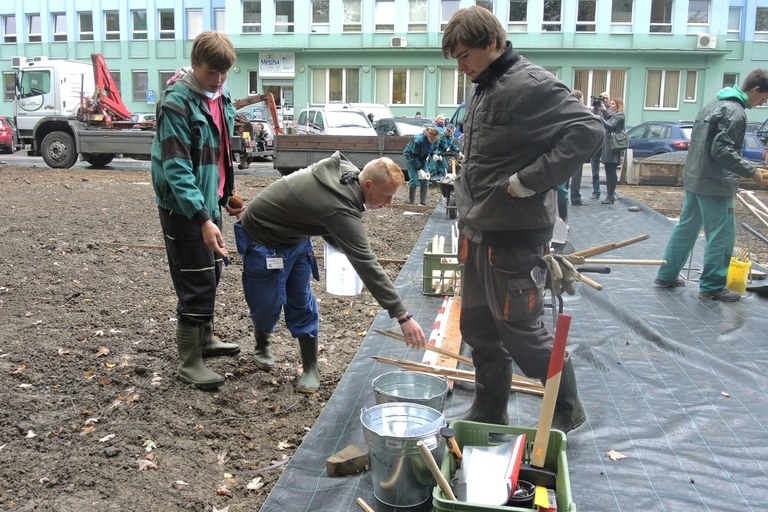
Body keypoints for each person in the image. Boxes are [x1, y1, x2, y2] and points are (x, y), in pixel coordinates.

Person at [441, 6, 603, 433]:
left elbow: (588, 131)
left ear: (492, 43)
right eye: (456, 59)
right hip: (478, 228)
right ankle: (490, 407)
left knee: (521, 330)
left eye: (464, 57)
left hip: (514, 233)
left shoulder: (532, 85)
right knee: (477, 324)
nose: (461, 68)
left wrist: (528, 181)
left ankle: (567, 411)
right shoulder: (482, 86)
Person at [235, 153, 426, 393]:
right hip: (263, 239)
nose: (388, 204)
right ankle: (262, 342)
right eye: (387, 196)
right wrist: (403, 316)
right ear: (367, 185)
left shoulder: (349, 175)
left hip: (296, 239)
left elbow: (328, 224)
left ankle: (310, 367)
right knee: (266, 303)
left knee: (301, 300)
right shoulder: (339, 205)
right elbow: (366, 262)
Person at [151, 31, 245, 391]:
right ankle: (189, 361)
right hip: (184, 208)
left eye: (224, 73)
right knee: (196, 279)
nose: (218, 80)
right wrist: (203, 218)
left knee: (213, 273)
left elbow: (218, 153)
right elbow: (176, 168)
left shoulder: (220, 98)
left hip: (209, 201)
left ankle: (205, 339)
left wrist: (226, 193)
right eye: (211, 73)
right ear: (194, 65)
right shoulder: (177, 103)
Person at [655, 70, 768, 302]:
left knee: (686, 229)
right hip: (716, 184)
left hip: (696, 178)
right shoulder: (736, 112)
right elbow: (721, 150)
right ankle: (712, 286)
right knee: (723, 235)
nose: (763, 103)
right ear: (755, 90)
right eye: (764, 98)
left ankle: (666, 275)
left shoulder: (713, 104)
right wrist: (752, 171)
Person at [403, 125, 441, 205]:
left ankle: (423, 202)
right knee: (414, 180)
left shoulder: (436, 139)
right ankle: (411, 202)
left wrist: (434, 154)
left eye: (435, 140)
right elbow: (413, 156)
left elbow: (434, 149)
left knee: (425, 179)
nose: (434, 141)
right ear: (428, 137)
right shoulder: (418, 140)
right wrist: (419, 169)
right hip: (411, 157)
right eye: (433, 140)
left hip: (423, 157)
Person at [599, 98, 626, 204]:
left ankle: (610, 196)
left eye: (613, 104)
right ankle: (610, 195)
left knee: (611, 170)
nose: (610, 105)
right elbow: (608, 119)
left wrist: (600, 119)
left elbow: (611, 126)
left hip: (613, 146)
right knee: (608, 170)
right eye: (610, 104)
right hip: (608, 145)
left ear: (618, 105)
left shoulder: (620, 115)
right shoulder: (614, 115)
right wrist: (603, 111)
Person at [568, 89, 589, 207]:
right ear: (579, 98)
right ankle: (575, 198)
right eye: (583, 98)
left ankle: (565, 197)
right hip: (577, 147)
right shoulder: (581, 111)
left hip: (568, 146)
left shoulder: (566, 109)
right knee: (576, 174)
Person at [590, 91, 611, 200]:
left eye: (606, 98)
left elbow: (611, 123)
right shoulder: (595, 109)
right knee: (595, 168)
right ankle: (596, 191)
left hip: (606, 143)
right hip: (597, 142)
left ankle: (610, 192)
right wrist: (595, 108)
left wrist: (605, 110)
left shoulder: (611, 110)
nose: (604, 100)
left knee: (609, 168)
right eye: (603, 98)